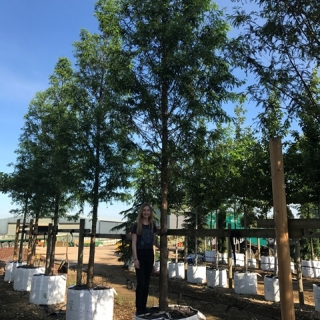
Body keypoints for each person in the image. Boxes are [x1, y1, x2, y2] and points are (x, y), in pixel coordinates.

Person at [131, 203, 158, 316]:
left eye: (148, 210)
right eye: (144, 210)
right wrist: (136, 259)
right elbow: (133, 243)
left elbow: (155, 242)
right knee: (141, 283)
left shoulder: (152, 225)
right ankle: (139, 307)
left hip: (149, 255)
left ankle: (144, 307)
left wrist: (163, 249)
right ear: (141, 212)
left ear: (150, 212)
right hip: (140, 255)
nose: (146, 212)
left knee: (147, 283)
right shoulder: (136, 225)